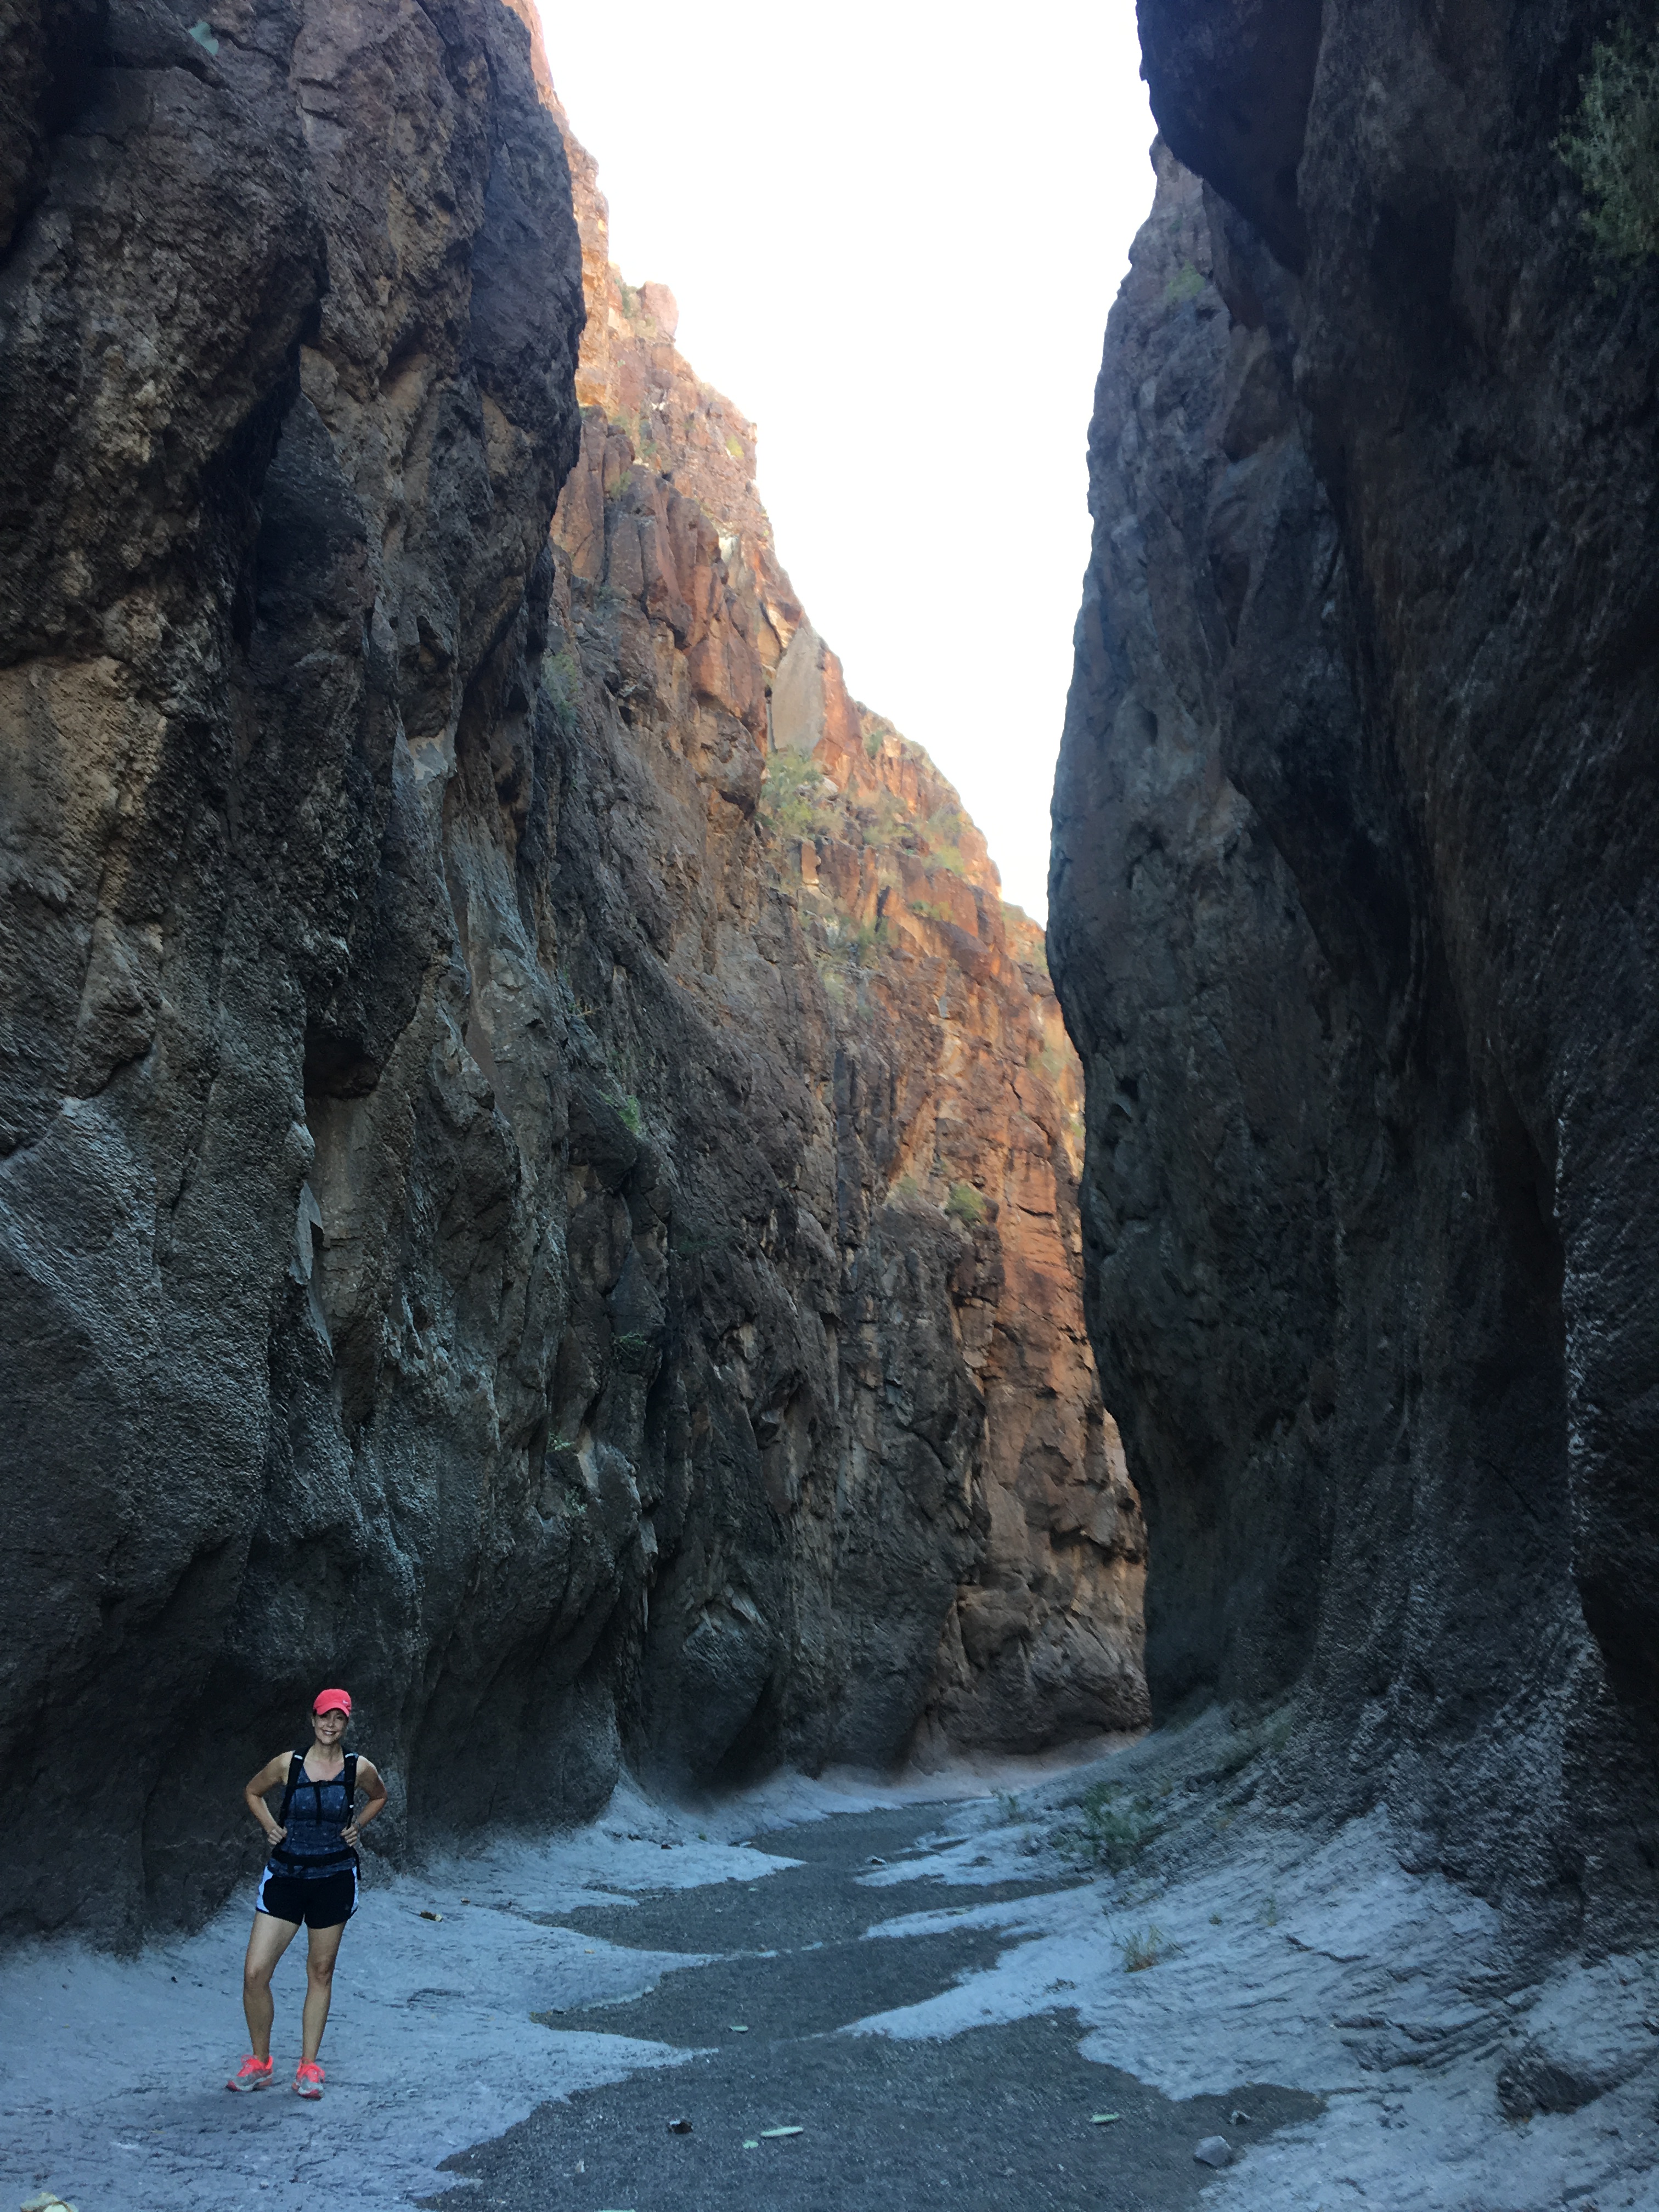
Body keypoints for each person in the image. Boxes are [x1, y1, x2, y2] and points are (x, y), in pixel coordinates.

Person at [227, 1688, 387, 2097]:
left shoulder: (358, 1767)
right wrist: (269, 1826)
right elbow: (252, 1791)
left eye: (339, 1718)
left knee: (320, 1972)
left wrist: (358, 1826)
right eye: (324, 1717)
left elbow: (379, 1796)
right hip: (287, 1875)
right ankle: (260, 2063)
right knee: (255, 1973)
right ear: (313, 1719)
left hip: (333, 1878)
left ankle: (309, 2066)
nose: (330, 1725)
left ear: (346, 1723)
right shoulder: (289, 1764)